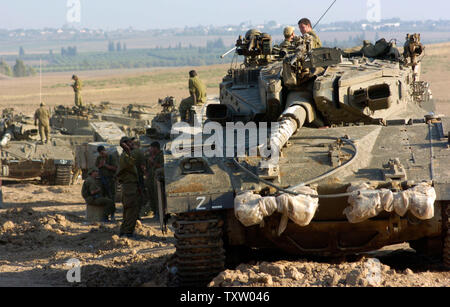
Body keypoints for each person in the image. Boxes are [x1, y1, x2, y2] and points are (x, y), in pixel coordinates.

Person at [117, 137, 139, 238]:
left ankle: (124, 231)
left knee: (129, 210)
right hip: (129, 186)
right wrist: (128, 150)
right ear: (124, 144)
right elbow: (131, 164)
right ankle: (128, 233)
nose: (132, 144)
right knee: (131, 210)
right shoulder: (125, 156)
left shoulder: (126, 155)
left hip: (131, 185)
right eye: (129, 142)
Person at [145, 141, 164, 219]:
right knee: (152, 196)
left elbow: (163, 167)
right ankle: (155, 211)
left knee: (159, 197)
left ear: (156, 148)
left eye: (152, 148)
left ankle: (160, 213)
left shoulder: (162, 155)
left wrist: (153, 162)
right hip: (151, 179)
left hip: (159, 180)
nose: (150, 149)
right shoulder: (152, 155)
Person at [130, 138, 147, 215]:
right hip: (139, 176)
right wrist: (146, 174)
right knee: (140, 194)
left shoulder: (130, 153)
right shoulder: (140, 152)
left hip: (131, 177)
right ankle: (139, 212)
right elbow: (142, 166)